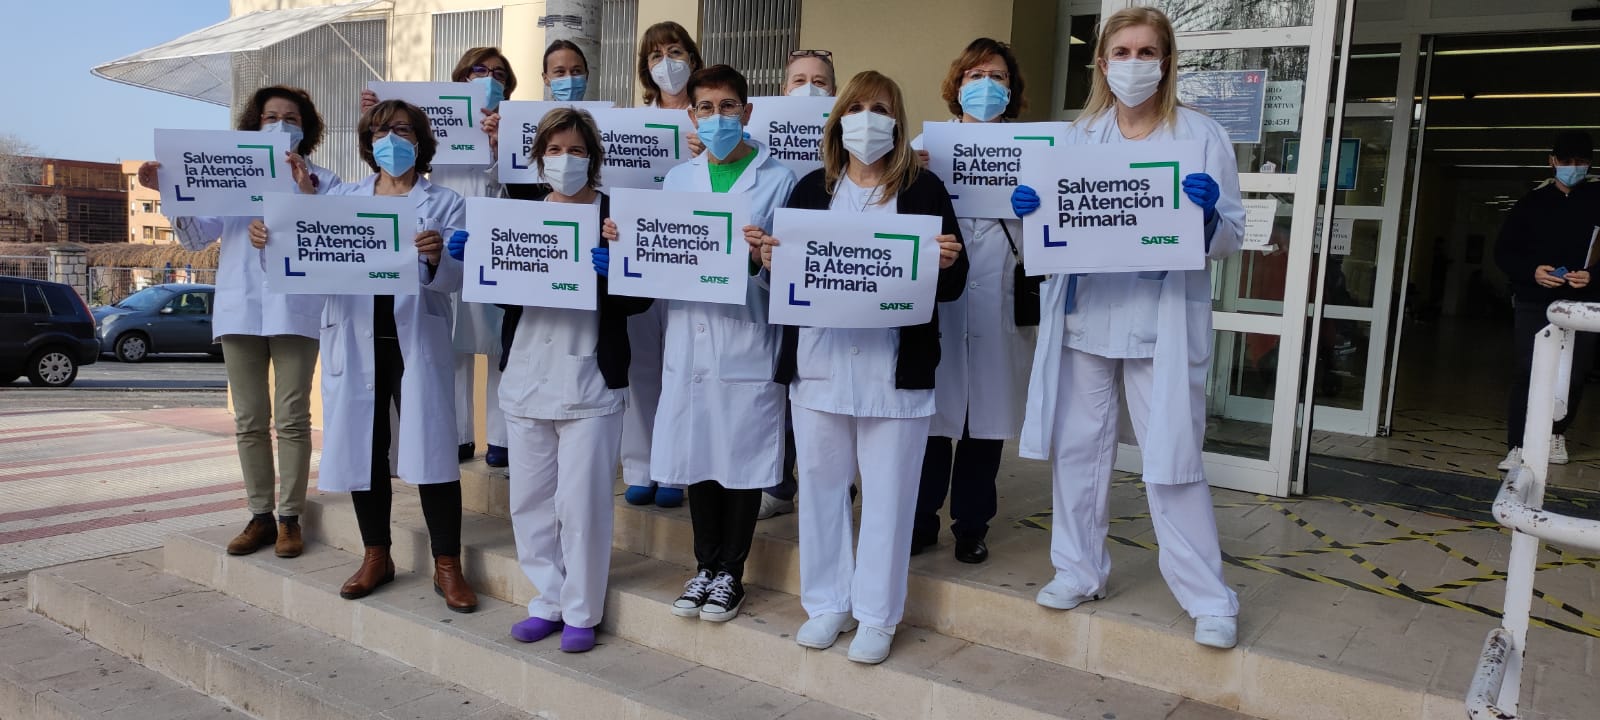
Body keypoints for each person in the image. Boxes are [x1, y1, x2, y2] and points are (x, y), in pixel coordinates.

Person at [1010, 6, 1245, 649]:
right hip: (1086, 316)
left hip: (1159, 323)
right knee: (1079, 452)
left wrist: (1207, 219)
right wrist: (1031, 214)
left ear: (1166, 62)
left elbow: (1232, 235)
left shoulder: (1200, 135)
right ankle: (1078, 571)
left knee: (1172, 458)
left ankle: (1208, 599)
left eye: (1146, 52)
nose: (1133, 63)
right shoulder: (1078, 138)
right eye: (1122, 52)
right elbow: (1050, 237)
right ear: (1101, 62)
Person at [755, 70, 967, 665]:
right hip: (819, 366)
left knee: (889, 497)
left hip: (895, 373)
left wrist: (947, 262)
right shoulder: (810, 188)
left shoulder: (924, 190)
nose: (867, 119)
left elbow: (954, 285)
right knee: (821, 491)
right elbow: (785, 279)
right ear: (838, 118)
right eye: (856, 107)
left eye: (880, 108)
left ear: (897, 122)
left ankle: (877, 614)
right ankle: (827, 604)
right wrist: (768, 260)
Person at [250, 99, 477, 613]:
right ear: (368, 144)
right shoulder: (344, 198)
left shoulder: (446, 202)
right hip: (355, 338)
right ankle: (377, 555)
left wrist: (437, 257)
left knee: (435, 451)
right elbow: (302, 259)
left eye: (401, 129)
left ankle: (447, 564)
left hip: (416, 339)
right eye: (379, 131)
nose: (390, 140)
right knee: (364, 450)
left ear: (420, 140)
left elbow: (456, 279)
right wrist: (269, 241)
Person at [453, 107, 652, 653]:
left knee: (583, 504)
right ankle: (547, 599)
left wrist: (617, 271)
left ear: (594, 157)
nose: (567, 160)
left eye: (577, 150)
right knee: (530, 501)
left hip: (591, 380)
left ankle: (583, 611)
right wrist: (478, 259)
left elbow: (641, 299)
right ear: (540, 159)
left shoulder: (614, 216)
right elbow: (505, 296)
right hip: (526, 376)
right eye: (556, 150)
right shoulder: (518, 216)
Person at [608, 65, 795, 623]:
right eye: (707, 108)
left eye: (728, 106)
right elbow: (663, 254)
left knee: (740, 461)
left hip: (746, 334)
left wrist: (762, 259)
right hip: (688, 338)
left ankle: (730, 573)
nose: (718, 117)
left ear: (747, 112)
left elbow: (786, 265)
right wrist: (626, 241)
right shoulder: (677, 181)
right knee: (698, 456)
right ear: (691, 116)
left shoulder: (778, 179)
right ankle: (704, 567)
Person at [136, 86, 338, 560]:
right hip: (240, 308)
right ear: (254, 124)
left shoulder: (323, 179)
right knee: (249, 419)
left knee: (292, 417)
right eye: (270, 116)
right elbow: (195, 239)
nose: (280, 124)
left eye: (291, 118)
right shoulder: (228, 177)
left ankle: (290, 518)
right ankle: (260, 515)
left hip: (295, 308)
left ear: (306, 128)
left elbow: (331, 237)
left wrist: (300, 202)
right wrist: (170, 192)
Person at [908, 38, 1037, 565]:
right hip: (941, 304)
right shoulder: (923, 147)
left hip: (998, 302)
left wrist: (1037, 208)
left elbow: (1055, 238)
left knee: (985, 426)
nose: (986, 86)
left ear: (1012, 89)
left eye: (998, 77)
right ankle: (920, 520)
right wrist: (907, 176)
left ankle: (971, 525)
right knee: (932, 424)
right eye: (975, 75)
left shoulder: (1035, 152)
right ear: (957, 85)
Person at [363, 48, 514, 468]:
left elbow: (525, 183)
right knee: (451, 340)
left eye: (499, 73)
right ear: (460, 78)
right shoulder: (434, 117)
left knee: (498, 340)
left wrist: (499, 145)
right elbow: (403, 160)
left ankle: (500, 438)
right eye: (479, 70)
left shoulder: (514, 126)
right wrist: (376, 115)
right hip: (443, 231)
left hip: (498, 239)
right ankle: (460, 435)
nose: (488, 78)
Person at [623, 20, 706, 508]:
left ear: (692, 58)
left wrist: (708, 153)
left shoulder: (711, 118)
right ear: (645, 66)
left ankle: (677, 467)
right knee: (641, 360)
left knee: (682, 362)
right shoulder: (632, 122)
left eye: (675, 52)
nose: (666, 63)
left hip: (689, 251)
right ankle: (640, 464)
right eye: (656, 56)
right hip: (639, 248)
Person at [759, 49, 839, 522]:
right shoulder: (757, 136)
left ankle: (829, 482)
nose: (809, 89)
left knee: (813, 383)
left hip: (829, 279)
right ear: (782, 90)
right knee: (779, 383)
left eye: (820, 81)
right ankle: (777, 482)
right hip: (771, 277)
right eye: (799, 80)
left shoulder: (849, 143)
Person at [1494, 130, 1600, 470]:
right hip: (1535, 301)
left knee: (1575, 373)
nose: (1573, 167)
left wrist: (1594, 276)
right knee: (1528, 370)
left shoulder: (1598, 199)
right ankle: (1518, 444)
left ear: (1590, 163)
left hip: (1583, 304)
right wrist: (1532, 272)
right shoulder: (1531, 203)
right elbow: (1503, 252)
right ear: (1552, 161)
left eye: (1581, 161)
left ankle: (1556, 434)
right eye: (1566, 161)